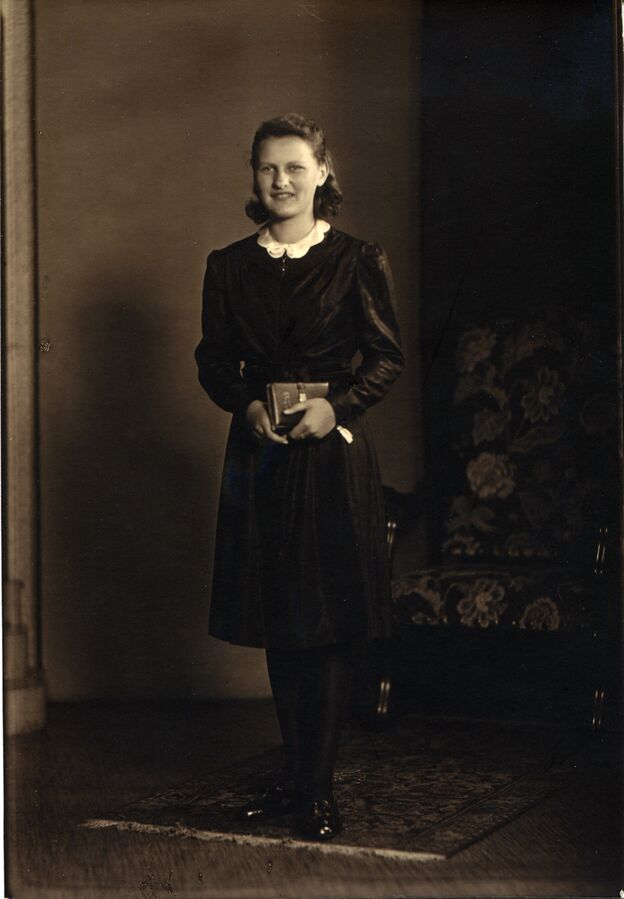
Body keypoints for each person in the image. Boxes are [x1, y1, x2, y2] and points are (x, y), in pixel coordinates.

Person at [194, 113, 403, 841]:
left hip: (332, 455)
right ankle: (294, 781)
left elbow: (386, 358)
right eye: (267, 168)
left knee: (328, 623)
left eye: (294, 167)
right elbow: (213, 360)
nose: (280, 180)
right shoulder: (228, 265)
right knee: (281, 620)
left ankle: (318, 790)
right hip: (262, 456)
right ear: (254, 177)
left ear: (322, 173)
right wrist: (248, 405)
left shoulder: (356, 258)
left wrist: (336, 407)